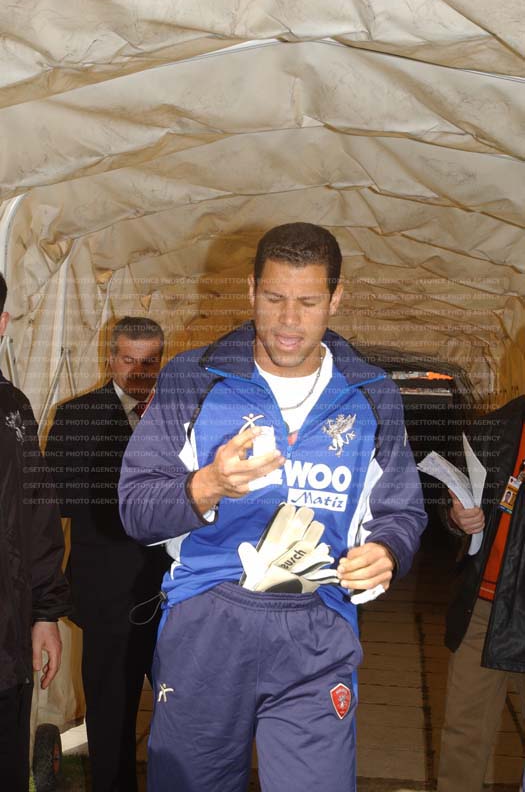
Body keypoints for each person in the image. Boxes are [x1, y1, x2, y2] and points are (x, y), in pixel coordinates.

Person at [119, 222, 427, 792]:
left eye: (308, 303)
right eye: (274, 298)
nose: (288, 321)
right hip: (207, 621)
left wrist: (386, 551)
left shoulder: (371, 393)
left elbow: (402, 512)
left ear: (336, 297)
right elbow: (136, 507)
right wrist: (206, 485)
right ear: (251, 291)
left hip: (318, 626)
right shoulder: (194, 378)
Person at [45, 316, 170, 792]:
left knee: (184, 709)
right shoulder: (75, 416)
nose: (138, 372)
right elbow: (59, 502)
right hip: (108, 594)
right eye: (128, 360)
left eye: (149, 362)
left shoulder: (182, 414)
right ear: (110, 357)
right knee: (110, 713)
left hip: (174, 593)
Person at [0, 272, 70, 792]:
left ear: (2, 324)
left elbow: (38, 516)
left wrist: (46, 613)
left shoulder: (13, 408)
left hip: (5, 644)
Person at [437, 397, 525, 792]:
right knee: (463, 737)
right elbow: (453, 504)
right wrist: (457, 516)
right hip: (484, 609)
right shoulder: (494, 427)